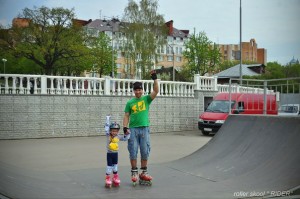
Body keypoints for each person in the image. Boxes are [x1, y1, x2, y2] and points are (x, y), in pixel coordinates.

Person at [123, 70, 159, 185]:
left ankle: (143, 172)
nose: (138, 91)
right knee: (133, 150)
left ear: (142, 90)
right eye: (136, 90)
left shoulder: (146, 99)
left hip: (144, 128)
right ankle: (134, 172)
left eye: (140, 89)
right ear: (133, 91)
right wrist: (125, 127)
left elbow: (156, 91)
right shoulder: (130, 103)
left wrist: (155, 79)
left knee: (144, 150)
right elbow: (126, 115)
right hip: (133, 129)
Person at [104, 115, 130, 188]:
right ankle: (108, 177)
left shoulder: (118, 136)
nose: (114, 132)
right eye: (113, 131)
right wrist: (108, 119)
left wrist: (128, 133)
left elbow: (125, 138)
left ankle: (115, 177)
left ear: (118, 131)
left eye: (116, 131)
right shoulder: (108, 135)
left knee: (115, 166)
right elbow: (106, 128)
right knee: (109, 167)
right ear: (110, 131)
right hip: (109, 154)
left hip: (115, 154)